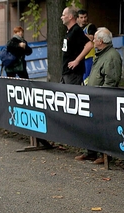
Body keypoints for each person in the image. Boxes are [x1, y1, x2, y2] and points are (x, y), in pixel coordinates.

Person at [75, 27, 122, 164]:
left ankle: (105, 155)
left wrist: (101, 96)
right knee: (91, 125)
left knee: (103, 128)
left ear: (100, 41)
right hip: (94, 97)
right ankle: (91, 152)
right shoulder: (101, 54)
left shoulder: (111, 57)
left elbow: (111, 81)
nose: (93, 40)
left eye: (95, 38)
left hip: (102, 100)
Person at [60, 7, 93, 85]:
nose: (62, 17)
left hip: (73, 72)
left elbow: (89, 44)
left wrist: (77, 60)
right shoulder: (70, 31)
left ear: (70, 16)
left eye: (63, 15)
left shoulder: (76, 30)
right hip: (66, 71)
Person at [77, 9, 97, 85]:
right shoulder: (77, 29)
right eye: (81, 17)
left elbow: (91, 37)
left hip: (90, 56)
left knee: (87, 78)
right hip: (80, 57)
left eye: (85, 17)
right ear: (78, 18)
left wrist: (79, 33)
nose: (84, 19)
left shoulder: (90, 27)